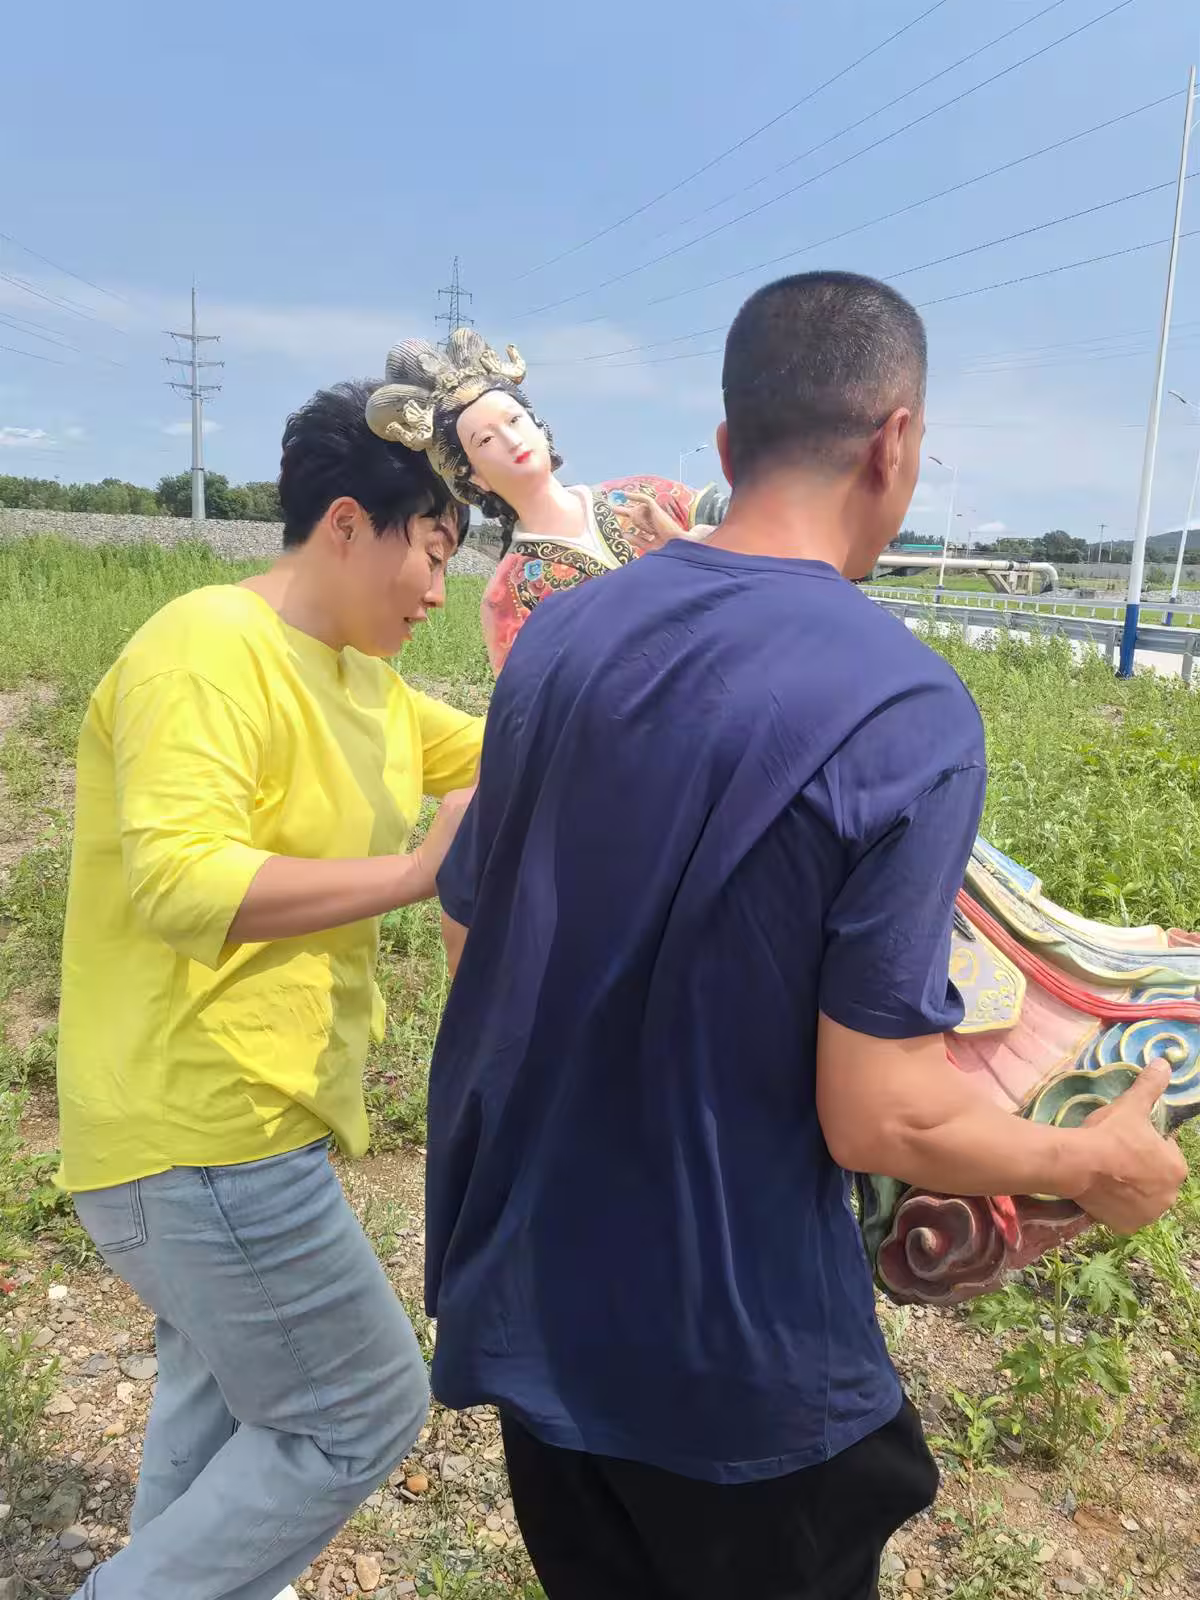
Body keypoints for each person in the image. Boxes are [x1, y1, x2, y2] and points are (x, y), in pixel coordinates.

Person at [422, 273, 1188, 1600]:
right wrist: (1094, 1160)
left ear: (728, 447)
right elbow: (883, 1117)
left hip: (538, 1315)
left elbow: (464, 917)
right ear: (897, 442)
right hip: (734, 1370)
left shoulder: (559, 636)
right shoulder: (901, 705)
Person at [55, 379, 482, 1600]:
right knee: (363, 1404)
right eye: (432, 551)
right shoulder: (206, 648)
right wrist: (415, 874)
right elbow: (181, 881)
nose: (438, 591)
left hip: (242, 1121)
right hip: (201, 1129)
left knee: (218, 1396)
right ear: (346, 524)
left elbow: (522, 749)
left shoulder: (365, 681)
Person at [364, 327, 720, 673]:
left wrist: (693, 547)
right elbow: (536, 703)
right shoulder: (508, 596)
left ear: (538, 424)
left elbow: (751, 531)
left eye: (514, 420)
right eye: (485, 440)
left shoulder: (646, 495)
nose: (511, 440)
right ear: (473, 476)